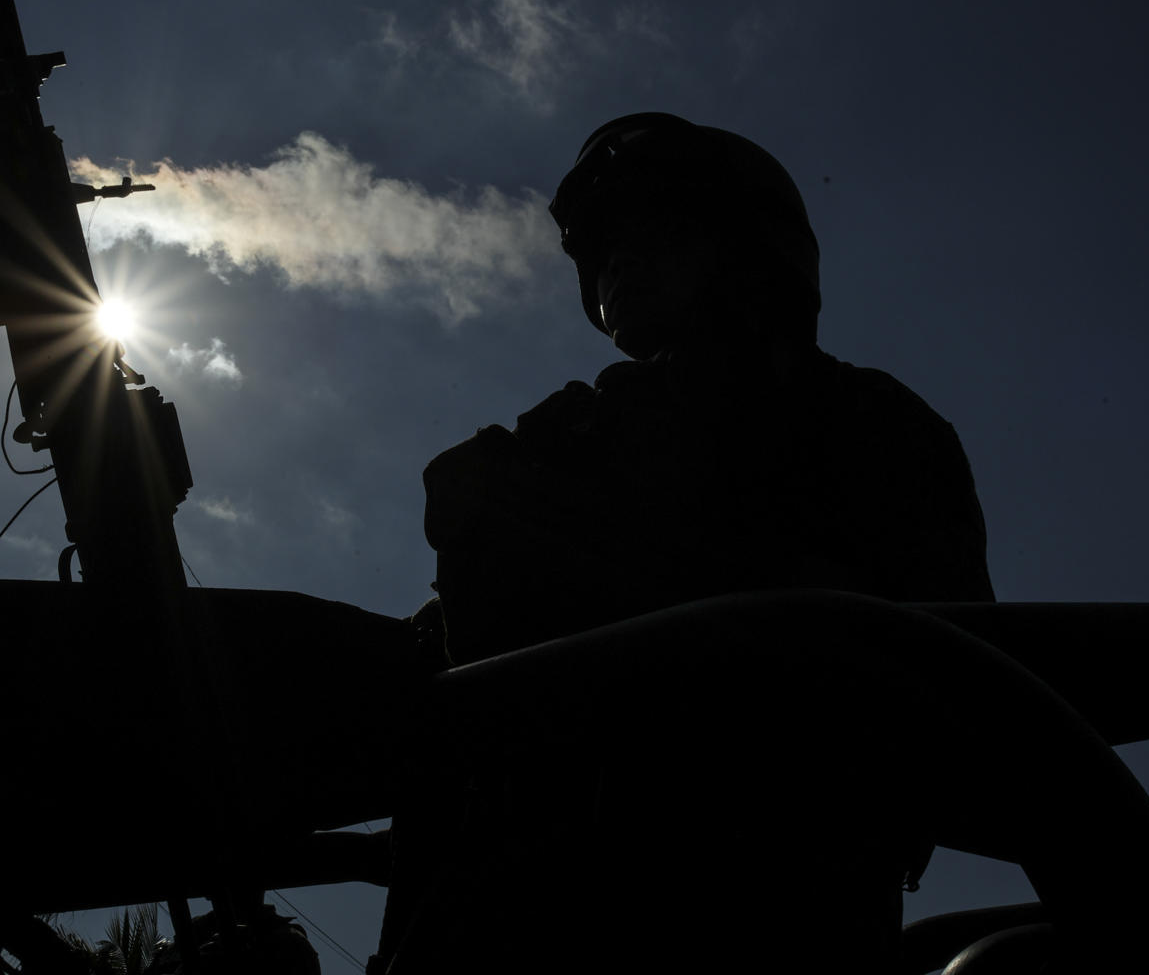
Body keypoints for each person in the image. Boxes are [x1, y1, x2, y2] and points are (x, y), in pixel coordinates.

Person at [376, 113, 994, 972]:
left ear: (742, 245)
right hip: (536, 880)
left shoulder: (868, 423)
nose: (616, 266)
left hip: (770, 881)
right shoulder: (580, 431)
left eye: (651, 234)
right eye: (602, 253)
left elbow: (954, 671)